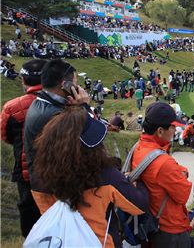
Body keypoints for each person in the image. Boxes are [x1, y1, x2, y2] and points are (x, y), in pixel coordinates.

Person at [31, 106, 148, 247]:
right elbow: (139, 205)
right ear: (90, 149)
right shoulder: (106, 176)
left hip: (59, 241)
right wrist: (138, 182)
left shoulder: (39, 176)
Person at [131, 102, 194, 247]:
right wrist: (183, 172)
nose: (175, 129)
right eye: (173, 126)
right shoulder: (163, 163)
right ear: (160, 131)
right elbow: (182, 195)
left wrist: (178, 171)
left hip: (154, 221)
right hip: (170, 229)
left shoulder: (139, 146)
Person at [24, 60, 91, 191]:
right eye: (75, 83)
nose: (78, 88)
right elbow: (91, 138)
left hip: (46, 181)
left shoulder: (42, 104)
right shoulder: (55, 115)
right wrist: (84, 107)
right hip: (56, 189)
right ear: (65, 85)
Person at [1, 59, 47, 237]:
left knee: (29, 215)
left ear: (23, 80)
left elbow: (5, 137)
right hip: (57, 169)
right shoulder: (62, 104)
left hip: (25, 169)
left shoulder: (11, 107)